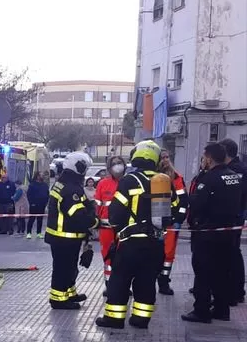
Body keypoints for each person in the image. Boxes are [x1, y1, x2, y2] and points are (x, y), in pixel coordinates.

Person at [95, 140, 167, 330]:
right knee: (147, 280)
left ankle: (114, 319)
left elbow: (116, 213)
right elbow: (174, 212)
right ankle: (141, 319)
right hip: (156, 242)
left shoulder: (130, 180)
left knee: (120, 278)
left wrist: (120, 228)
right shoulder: (163, 181)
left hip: (132, 243)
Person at [183, 142, 243, 322]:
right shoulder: (234, 177)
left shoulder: (209, 179)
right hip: (228, 233)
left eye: (204, 157)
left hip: (207, 233)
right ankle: (221, 310)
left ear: (209, 158)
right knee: (222, 273)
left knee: (203, 273)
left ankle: (201, 310)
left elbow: (198, 204)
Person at [46, 151, 97, 309]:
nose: (86, 173)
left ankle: (69, 293)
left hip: (65, 236)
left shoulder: (65, 183)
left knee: (69, 267)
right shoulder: (70, 188)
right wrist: (95, 221)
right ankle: (58, 300)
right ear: (79, 168)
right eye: (85, 169)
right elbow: (77, 215)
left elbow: (85, 204)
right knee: (63, 268)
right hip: (64, 237)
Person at [218, 138, 246, 305]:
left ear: (226, 152)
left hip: (233, 217)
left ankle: (235, 291)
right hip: (233, 216)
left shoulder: (237, 170)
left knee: (232, 254)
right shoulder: (232, 168)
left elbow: (236, 196)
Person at [94, 156, 127, 294]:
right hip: (106, 228)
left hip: (124, 227)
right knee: (107, 257)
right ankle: (109, 285)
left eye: (119, 163)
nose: (117, 166)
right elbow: (97, 205)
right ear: (109, 167)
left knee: (124, 257)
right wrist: (94, 223)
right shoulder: (103, 184)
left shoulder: (128, 182)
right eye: (114, 164)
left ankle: (123, 285)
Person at [157, 150, 187, 295]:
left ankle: (163, 281)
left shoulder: (176, 177)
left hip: (171, 222)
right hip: (154, 223)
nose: (166, 160)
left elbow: (183, 201)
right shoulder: (151, 177)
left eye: (167, 157)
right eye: (163, 157)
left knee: (168, 254)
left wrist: (179, 220)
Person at [25, 171, 49, 238]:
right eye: (41, 175)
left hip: (42, 205)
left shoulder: (44, 185)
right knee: (31, 219)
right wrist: (31, 203)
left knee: (40, 219)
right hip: (34, 204)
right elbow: (29, 195)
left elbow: (47, 194)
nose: (42, 176)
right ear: (37, 176)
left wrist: (46, 202)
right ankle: (29, 233)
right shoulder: (32, 185)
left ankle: (39, 233)